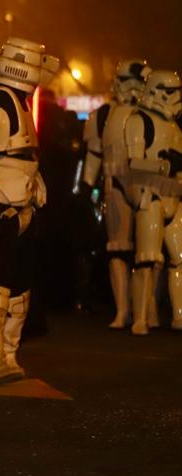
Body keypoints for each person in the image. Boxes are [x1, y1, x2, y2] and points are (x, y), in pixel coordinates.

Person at [0, 36, 58, 385]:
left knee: (18, 288)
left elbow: (23, 158)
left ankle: (7, 353)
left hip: (20, 205)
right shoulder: (0, 106)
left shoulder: (16, 103)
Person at [79, 59, 150, 328]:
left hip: (146, 182)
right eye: (126, 82)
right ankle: (123, 312)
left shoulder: (152, 115)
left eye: (138, 83)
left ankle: (146, 313)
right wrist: (86, 186)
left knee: (148, 252)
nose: (131, 89)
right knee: (118, 249)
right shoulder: (103, 115)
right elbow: (95, 154)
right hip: (114, 182)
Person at [123, 70, 182, 334]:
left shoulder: (173, 127)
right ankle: (140, 318)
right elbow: (132, 162)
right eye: (171, 92)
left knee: (179, 259)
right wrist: (162, 165)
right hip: (151, 194)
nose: (176, 98)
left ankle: (178, 314)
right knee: (146, 260)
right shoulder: (139, 120)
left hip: (173, 195)